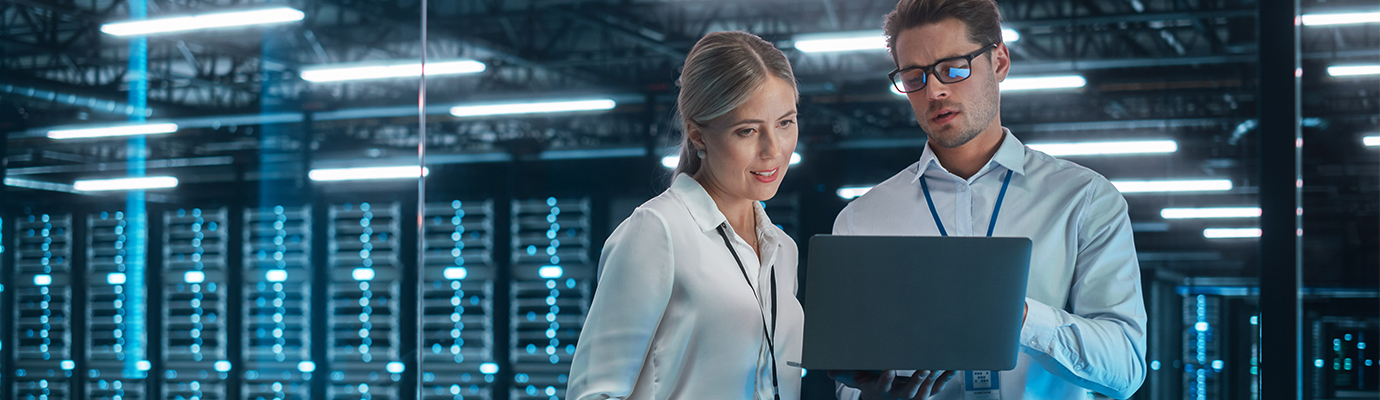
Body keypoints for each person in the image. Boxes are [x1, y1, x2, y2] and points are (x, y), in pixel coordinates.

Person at [829, 0, 1148, 399]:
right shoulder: (861, 221)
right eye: (914, 77)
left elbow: (1126, 368)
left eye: (953, 68)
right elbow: (850, 384)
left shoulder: (1083, 200)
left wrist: (1018, 314)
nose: (935, 90)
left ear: (999, 62)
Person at [566, 30, 804, 400]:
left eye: (785, 123)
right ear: (698, 136)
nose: (773, 150)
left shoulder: (783, 250)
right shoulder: (658, 231)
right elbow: (593, 393)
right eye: (747, 130)